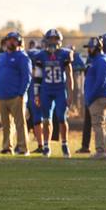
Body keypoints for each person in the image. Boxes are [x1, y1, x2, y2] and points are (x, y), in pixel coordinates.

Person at [32, 29, 74, 158]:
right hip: (46, 90)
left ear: (59, 40)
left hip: (60, 90)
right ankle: (46, 146)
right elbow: (37, 76)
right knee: (46, 120)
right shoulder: (41, 56)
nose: (53, 42)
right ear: (46, 40)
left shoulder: (64, 54)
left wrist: (70, 93)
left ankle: (64, 144)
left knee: (62, 118)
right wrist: (36, 94)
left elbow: (69, 74)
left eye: (55, 39)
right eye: (51, 39)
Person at [0, 31, 32, 155]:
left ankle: (23, 148)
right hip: (2, 96)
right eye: (9, 39)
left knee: (20, 123)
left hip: (16, 96)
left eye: (14, 40)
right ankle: (7, 147)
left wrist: (21, 93)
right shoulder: (1, 57)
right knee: (6, 125)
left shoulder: (22, 57)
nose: (11, 42)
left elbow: (27, 77)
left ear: (19, 42)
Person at [84, 37, 106, 159]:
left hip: (99, 97)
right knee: (99, 124)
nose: (89, 50)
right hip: (98, 96)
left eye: (91, 47)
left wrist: (91, 96)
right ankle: (102, 150)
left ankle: (100, 151)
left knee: (98, 124)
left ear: (96, 48)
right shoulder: (97, 60)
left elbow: (101, 81)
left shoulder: (101, 61)